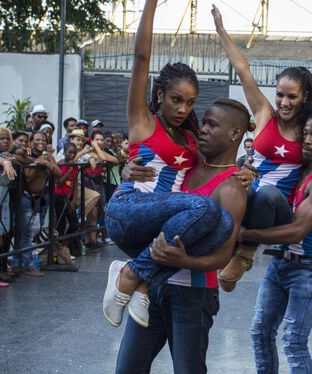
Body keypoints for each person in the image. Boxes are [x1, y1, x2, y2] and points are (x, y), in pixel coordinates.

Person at [103, 0, 238, 330]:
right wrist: (151, 5)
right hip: (128, 210)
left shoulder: (192, 139)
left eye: (190, 102)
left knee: (221, 226)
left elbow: (218, 162)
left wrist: (245, 171)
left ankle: (142, 278)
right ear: (160, 93)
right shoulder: (143, 122)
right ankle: (131, 275)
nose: (182, 108)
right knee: (206, 208)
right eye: (176, 99)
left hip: (156, 230)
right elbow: (141, 58)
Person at [212, 4, 312, 291]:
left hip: (277, 209)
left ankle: (245, 252)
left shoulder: (311, 128)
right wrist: (222, 31)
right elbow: (243, 69)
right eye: (280, 95)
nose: (284, 102)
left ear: (304, 95)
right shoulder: (263, 114)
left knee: (268, 194)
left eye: (292, 97)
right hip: (246, 194)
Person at [115, 98, 251, 374]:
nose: (202, 130)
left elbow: (224, 255)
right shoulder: (186, 166)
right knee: (128, 368)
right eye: (203, 124)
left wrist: (183, 259)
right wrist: (127, 169)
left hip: (193, 292)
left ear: (235, 134)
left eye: (212, 125)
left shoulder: (232, 187)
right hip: (152, 282)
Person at [237, 96, 312, 374]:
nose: (307, 140)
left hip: (310, 268)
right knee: (260, 332)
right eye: (306, 134)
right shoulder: (303, 168)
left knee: (293, 341)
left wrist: (245, 235)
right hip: (281, 263)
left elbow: (297, 231)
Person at [13, 131, 62, 277]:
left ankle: (19, 264)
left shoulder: (47, 156)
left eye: (43, 139)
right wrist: (37, 161)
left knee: (32, 231)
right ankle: (24, 265)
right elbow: (28, 177)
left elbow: (58, 173)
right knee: (25, 233)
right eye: (37, 139)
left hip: (40, 199)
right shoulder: (25, 155)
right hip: (26, 197)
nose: (40, 142)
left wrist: (46, 162)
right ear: (31, 141)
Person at [0, 127, 17, 287]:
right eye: (1, 138)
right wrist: (5, 161)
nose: (5, 141)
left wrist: (10, 159)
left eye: (7, 138)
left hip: (4, 199)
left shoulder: (7, 155)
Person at [54, 143, 82, 256]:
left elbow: (75, 183)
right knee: (61, 223)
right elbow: (58, 183)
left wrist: (74, 200)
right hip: (59, 196)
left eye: (74, 153)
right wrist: (68, 172)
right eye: (69, 152)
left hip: (69, 197)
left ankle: (64, 244)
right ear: (64, 152)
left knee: (74, 223)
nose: (72, 155)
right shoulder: (60, 164)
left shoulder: (75, 165)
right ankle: (59, 247)